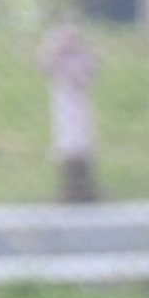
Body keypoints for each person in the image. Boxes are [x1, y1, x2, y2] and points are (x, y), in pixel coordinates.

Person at [39, 15, 99, 205]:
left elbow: (89, 71)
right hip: (64, 104)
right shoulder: (59, 58)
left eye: (74, 38)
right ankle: (69, 188)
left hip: (79, 105)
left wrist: (81, 74)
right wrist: (55, 49)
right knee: (66, 141)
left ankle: (84, 188)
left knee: (81, 140)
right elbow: (45, 65)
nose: (70, 43)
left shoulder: (81, 56)